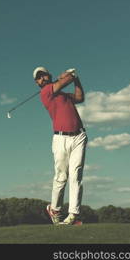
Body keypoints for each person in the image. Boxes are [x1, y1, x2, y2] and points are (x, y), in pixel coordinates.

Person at [33, 66, 88, 225]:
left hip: (79, 136)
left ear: (48, 76)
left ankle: (73, 215)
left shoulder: (63, 94)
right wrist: (68, 75)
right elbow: (67, 80)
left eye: (44, 75)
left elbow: (79, 97)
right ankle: (55, 209)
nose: (42, 78)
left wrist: (75, 79)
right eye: (39, 77)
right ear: (37, 83)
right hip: (60, 139)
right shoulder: (46, 92)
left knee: (76, 175)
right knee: (61, 176)